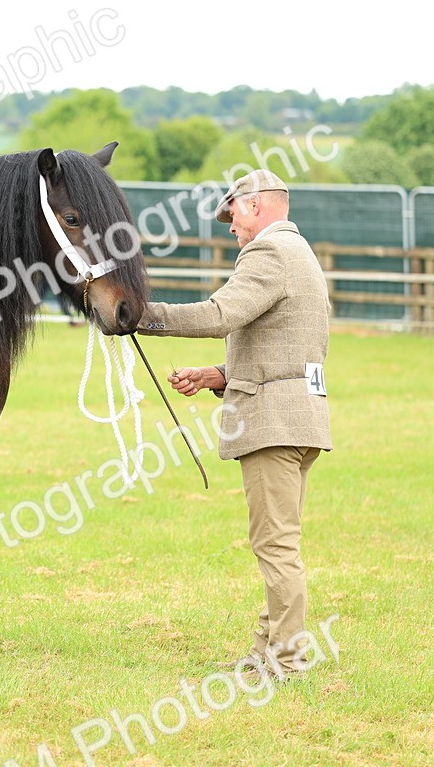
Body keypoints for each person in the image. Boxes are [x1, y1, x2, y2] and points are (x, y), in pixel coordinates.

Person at [135, 169, 332, 679]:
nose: (230, 227)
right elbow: (285, 345)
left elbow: (219, 314)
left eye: (233, 215)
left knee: (275, 546)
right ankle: (267, 652)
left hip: (275, 424)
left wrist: (139, 315)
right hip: (300, 417)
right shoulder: (301, 253)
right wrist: (217, 375)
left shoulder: (268, 254)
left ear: (257, 207)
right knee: (277, 541)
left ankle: (287, 661)